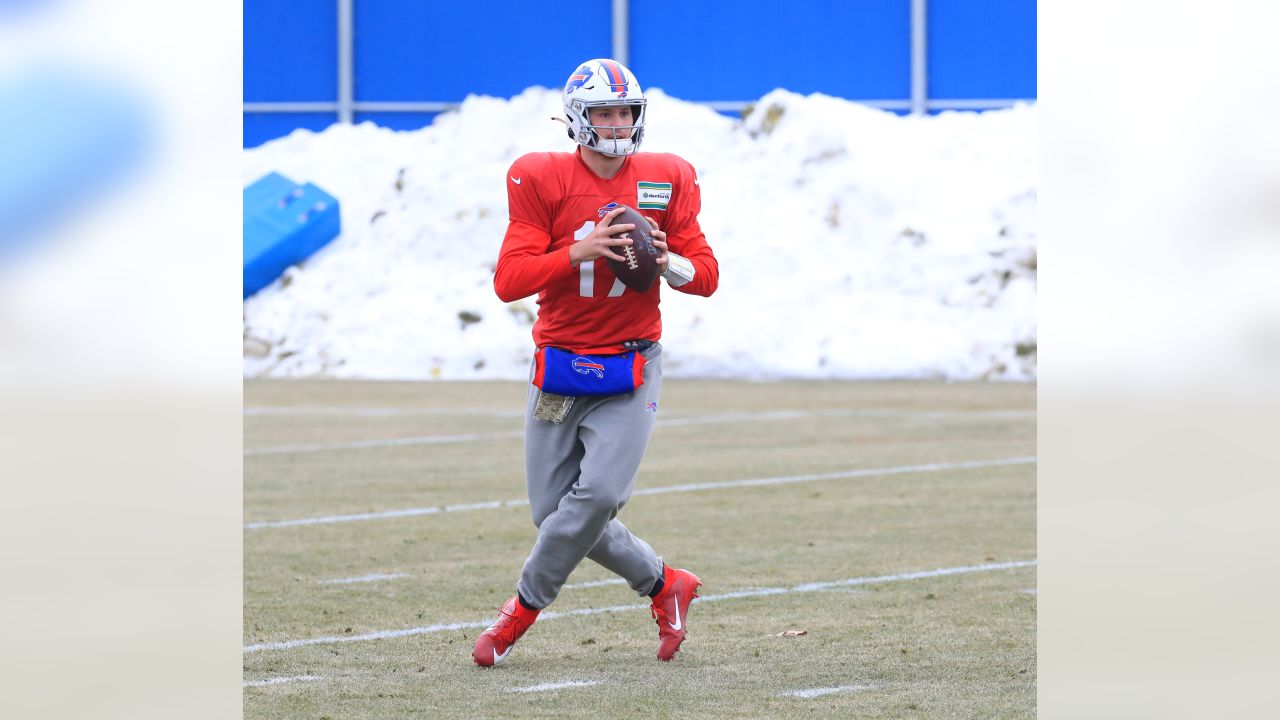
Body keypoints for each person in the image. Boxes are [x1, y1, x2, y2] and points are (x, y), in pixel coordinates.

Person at [473, 58, 719, 667]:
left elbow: (706, 275)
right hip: (560, 361)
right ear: (578, 119)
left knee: (599, 494)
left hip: (631, 365)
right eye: (605, 112)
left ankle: (519, 613)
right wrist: (575, 249)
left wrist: (668, 264)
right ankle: (665, 584)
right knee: (553, 514)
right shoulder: (539, 177)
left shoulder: (668, 176)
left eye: (626, 112)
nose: (617, 122)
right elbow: (508, 281)